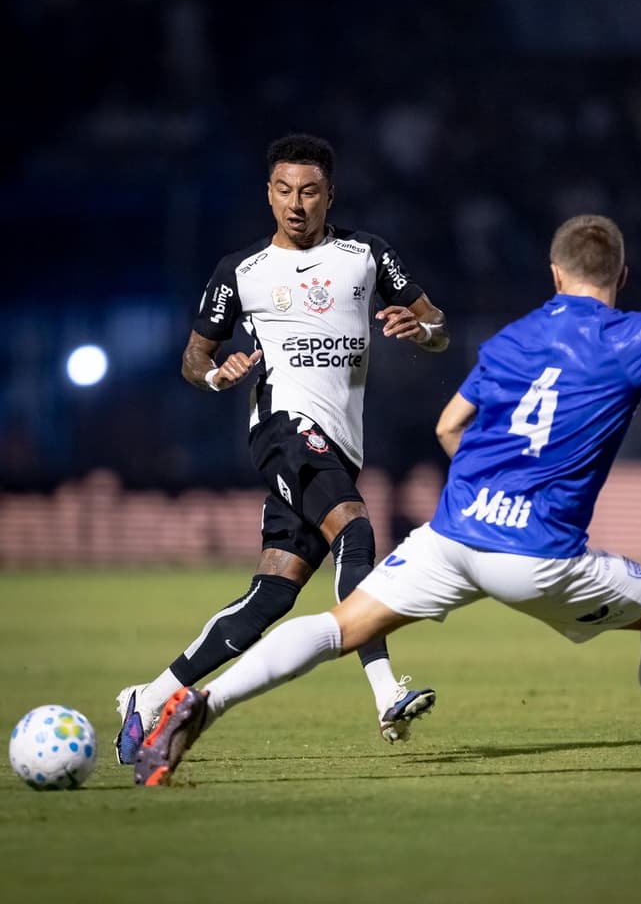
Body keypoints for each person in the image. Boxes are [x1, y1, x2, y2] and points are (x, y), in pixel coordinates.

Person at [134, 215, 641, 786]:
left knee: (338, 625)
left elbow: (449, 425)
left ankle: (203, 702)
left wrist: (488, 488)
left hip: (452, 536)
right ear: (620, 276)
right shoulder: (630, 339)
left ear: (555, 274)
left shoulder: (512, 338)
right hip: (536, 556)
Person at [114, 133, 449, 764]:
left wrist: (420, 329)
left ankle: (148, 696)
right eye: (284, 190)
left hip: (339, 445)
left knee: (272, 595)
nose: (296, 204)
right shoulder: (241, 271)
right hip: (283, 432)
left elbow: (437, 328)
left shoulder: (367, 256)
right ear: (268, 194)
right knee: (356, 531)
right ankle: (385, 695)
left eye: (310, 191)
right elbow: (194, 356)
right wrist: (217, 375)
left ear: (330, 194)